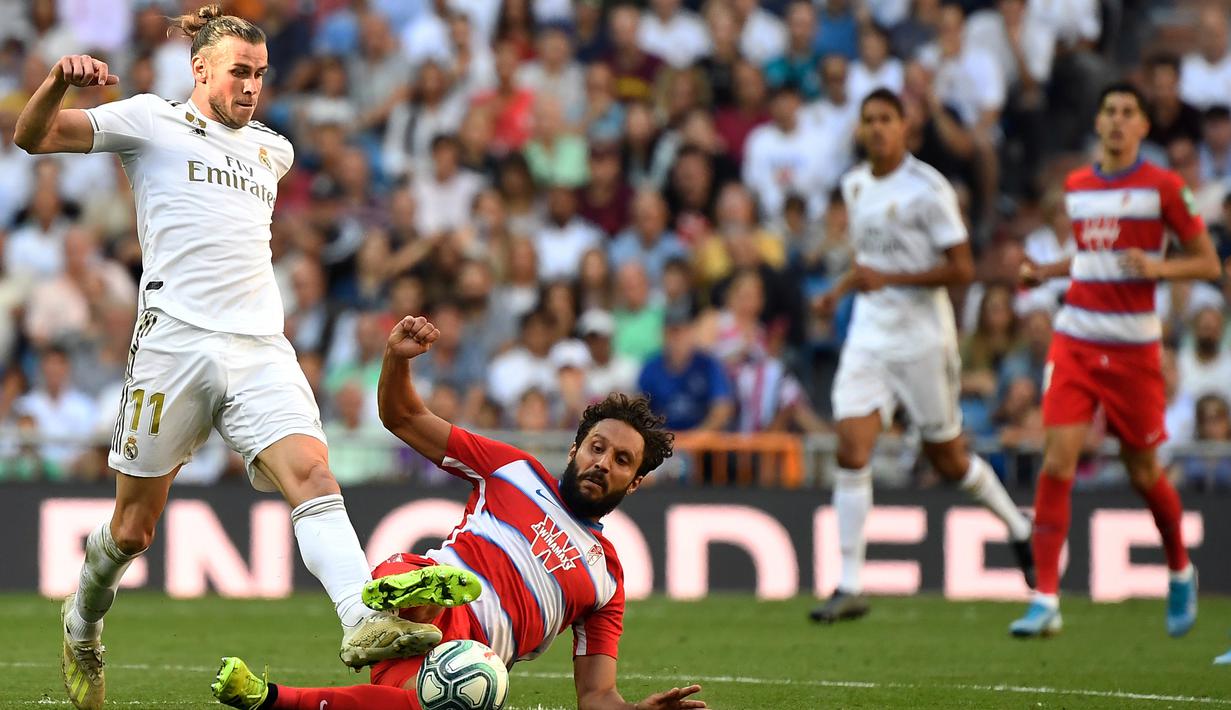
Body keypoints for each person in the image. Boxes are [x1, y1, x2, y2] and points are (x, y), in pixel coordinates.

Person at [13, 7, 452, 709]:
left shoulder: (271, 150)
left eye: (260, 74)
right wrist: (58, 82)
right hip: (172, 345)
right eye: (239, 72)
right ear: (201, 70)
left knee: (311, 470)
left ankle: (360, 618)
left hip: (259, 347)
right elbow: (31, 137)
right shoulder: (148, 121)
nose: (251, 86)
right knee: (133, 530)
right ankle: (84, 621)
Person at [210, 315, 707, 710]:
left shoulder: (607, 581)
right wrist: (396, 359)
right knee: (410, 572)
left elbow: (597, 697)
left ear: (636, 482)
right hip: (435, 607)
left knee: (414, 705)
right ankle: (409, 599)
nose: (603, 462)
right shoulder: (513, 470)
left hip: (463, 663)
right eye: (597, 447)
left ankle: (267, 697)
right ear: (576, 447)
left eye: (621, 461)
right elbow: (402, 417)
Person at [809, 89, 1034, 624]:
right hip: (870, 334)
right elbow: (869, 265)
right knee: (851, 445)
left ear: (906, 128)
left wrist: (891, 279)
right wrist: (838, 292)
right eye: (870, 120)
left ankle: (1018, 525)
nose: (878, 128)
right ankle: (849, 583)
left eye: (887, 119)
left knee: (948, 459)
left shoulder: (928, 189)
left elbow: (962, 269)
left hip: (923, 339)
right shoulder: (855, 183)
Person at [1010, 83, 1221, 639]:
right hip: (1076, 339)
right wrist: (1047, 273)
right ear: (1098, 122)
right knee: (1057, 461)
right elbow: (1090, 257)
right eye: (1109, 112)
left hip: (1133, 350)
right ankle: (1046, 599)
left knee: (1144, 471)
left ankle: (1179, 568)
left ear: (1145, 128)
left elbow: (1206, 265)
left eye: (1129, 113)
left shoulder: (1165, 187)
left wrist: (1158, 271)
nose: (1117, 122)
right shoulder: (1077, 186)